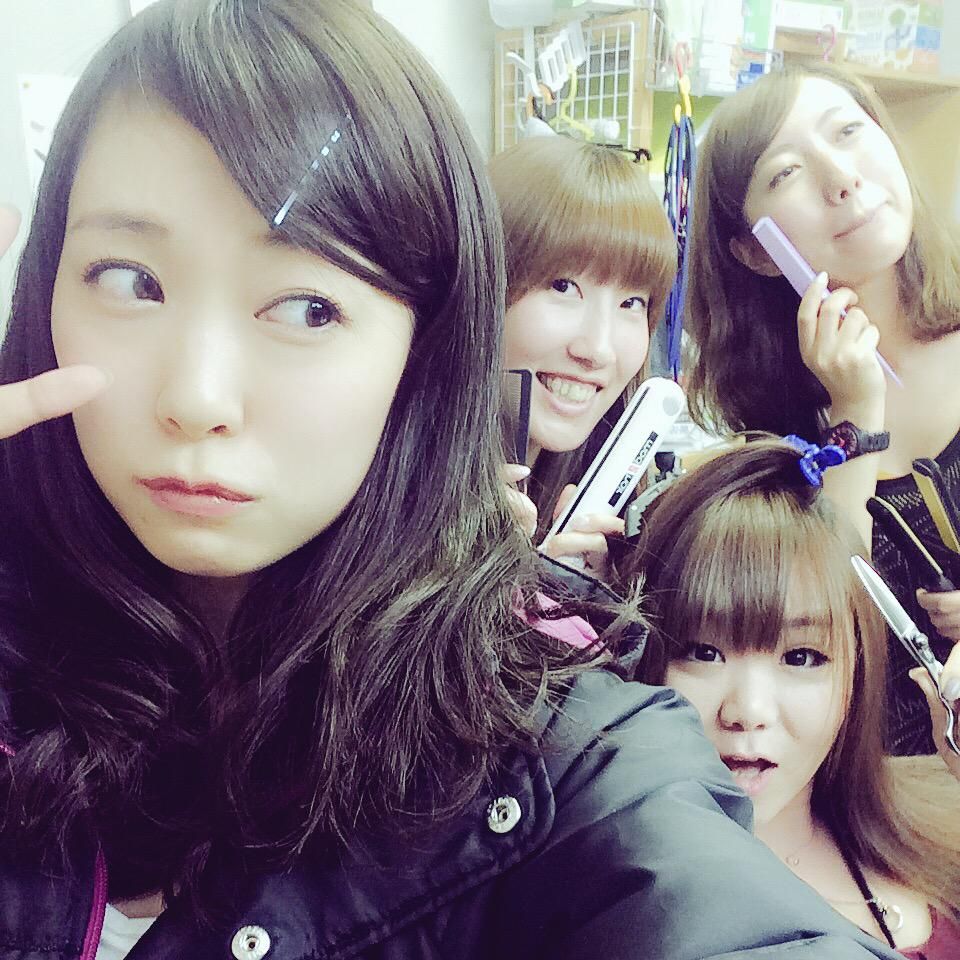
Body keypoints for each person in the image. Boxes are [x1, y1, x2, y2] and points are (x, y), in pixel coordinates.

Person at [0, 3, 910, 957]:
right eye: (130, 280)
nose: (196, 398)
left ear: (430, 336)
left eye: (307, 306)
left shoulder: (556, 743)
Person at [682, 60, 960, 754]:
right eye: (785, 173)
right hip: (880, 790)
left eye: (848, 132)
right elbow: (824, 628)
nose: (842, 176)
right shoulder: (770, 439)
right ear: (755, 251)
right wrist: (856, 413)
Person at [615, 437, 960, 958]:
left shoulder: (939, 813)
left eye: (801, 657)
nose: (748, 711)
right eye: (703, 652)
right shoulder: (616, 911)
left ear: (857, 673)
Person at [489, 136, 675, 575]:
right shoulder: (378, 502)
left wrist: (573, 596)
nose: (598, 349)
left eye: (632, 302)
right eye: (563, 287)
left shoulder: (612, 530)